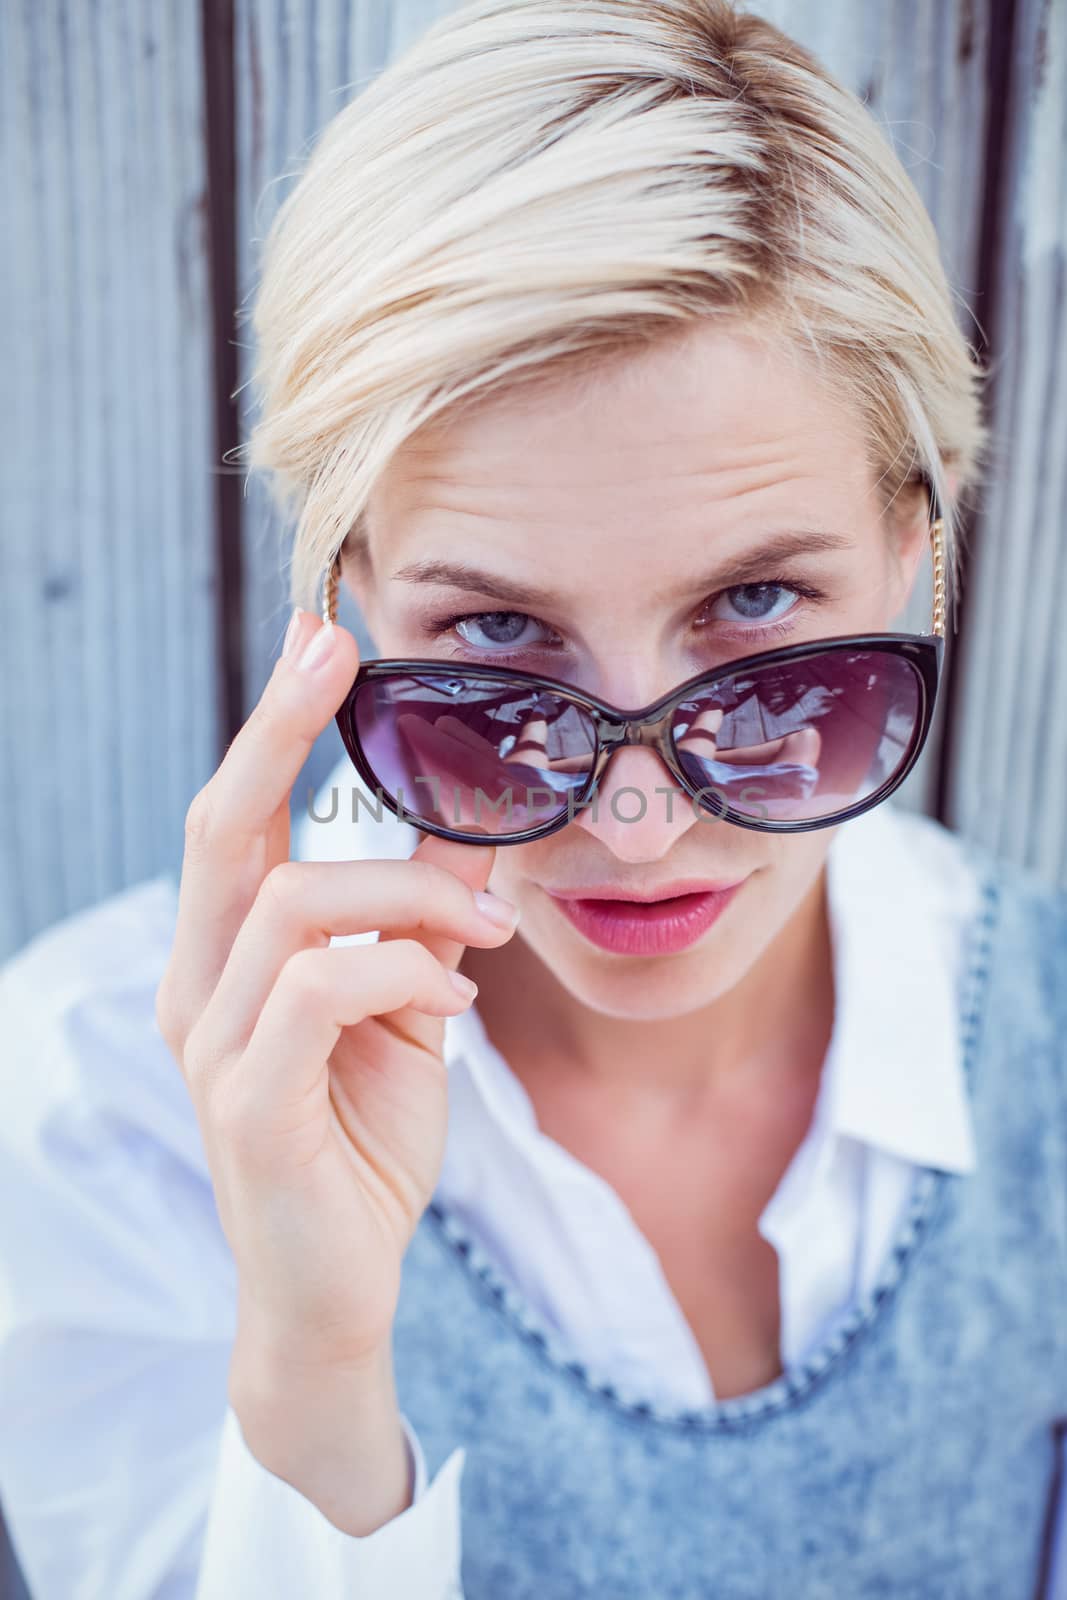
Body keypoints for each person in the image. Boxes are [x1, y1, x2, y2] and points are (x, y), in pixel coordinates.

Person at [1, 1, 1065, 1595]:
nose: (635, 822)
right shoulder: (95, 1108)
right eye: (498, 634)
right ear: (349, 589)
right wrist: (313, 1373)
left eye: (760, 610)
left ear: (916, 550)